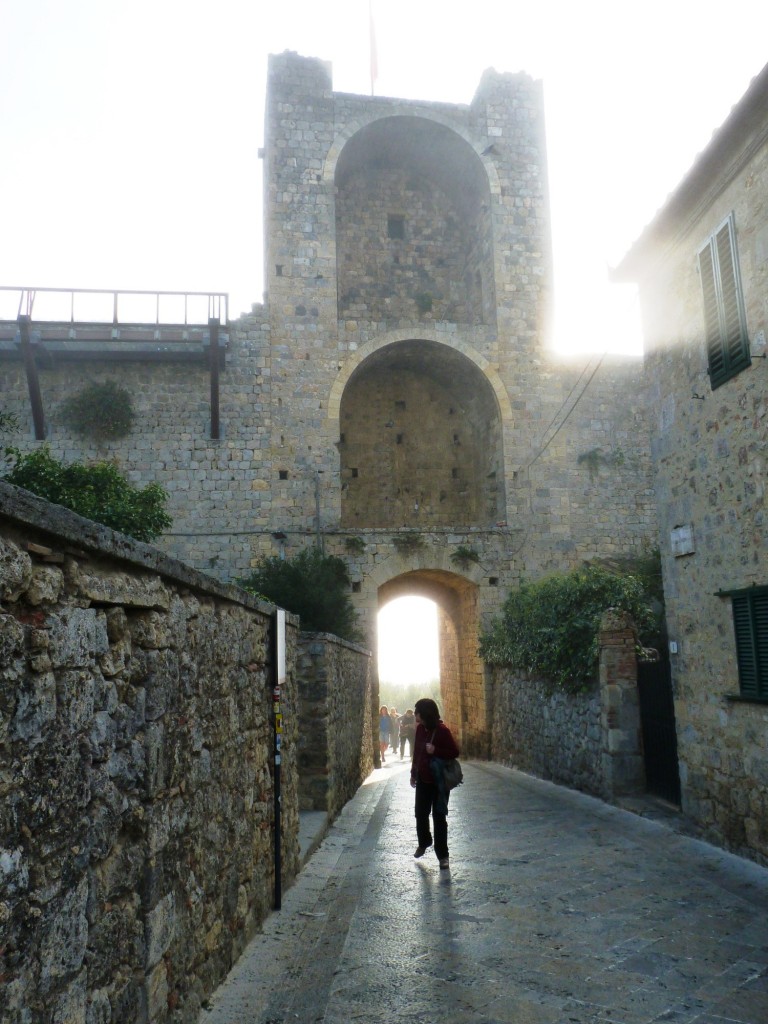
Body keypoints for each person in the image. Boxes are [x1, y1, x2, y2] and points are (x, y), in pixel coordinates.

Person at [409, 697, 459, 869]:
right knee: (420, 813)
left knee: (439, 817)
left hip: (439, 782)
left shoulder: (443, 731)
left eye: (418, 711)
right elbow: (417, 752)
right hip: (423, 778)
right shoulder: (420, 730)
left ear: (425, 714)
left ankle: (443, 856)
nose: (416, 714)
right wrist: (413, 773)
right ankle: (424, 842)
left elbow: (454, 752)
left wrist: (436, 750)